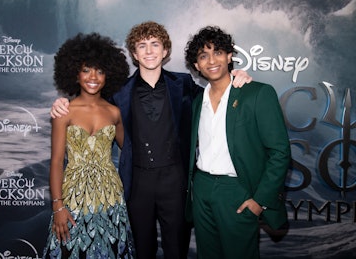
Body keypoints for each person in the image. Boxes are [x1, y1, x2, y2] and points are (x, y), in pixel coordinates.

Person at [50, 21, 252, 259]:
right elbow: (90, 100)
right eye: (142, 46)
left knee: (176, 251)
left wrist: (236, 74)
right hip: (137, 184)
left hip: (175, 183)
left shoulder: (185, 84)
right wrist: (62, 101)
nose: (149, 51)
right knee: (141, 251)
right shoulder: (119, 92)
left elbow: (216, 94)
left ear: (165, 51)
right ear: (134, 54)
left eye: (155, 44)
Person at [184, 26, 291, 259]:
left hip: (236, 191)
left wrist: (259, 201)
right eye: (203, 56)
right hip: (201, 189)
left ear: (229, 56)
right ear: (196, 65)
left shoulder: (257, 93)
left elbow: (280, 152)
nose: (212, 60)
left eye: (218, 52)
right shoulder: (195, 101)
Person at [43, 33, 135, 259]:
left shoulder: (115, 112)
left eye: (100, 71)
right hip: (73, 197)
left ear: (108, 75)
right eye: (86, 70)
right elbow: (56, 162)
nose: (93, 77)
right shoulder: (64, 112)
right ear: (74, 73)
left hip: (110, 196)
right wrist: (58, 207)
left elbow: (132, 152)